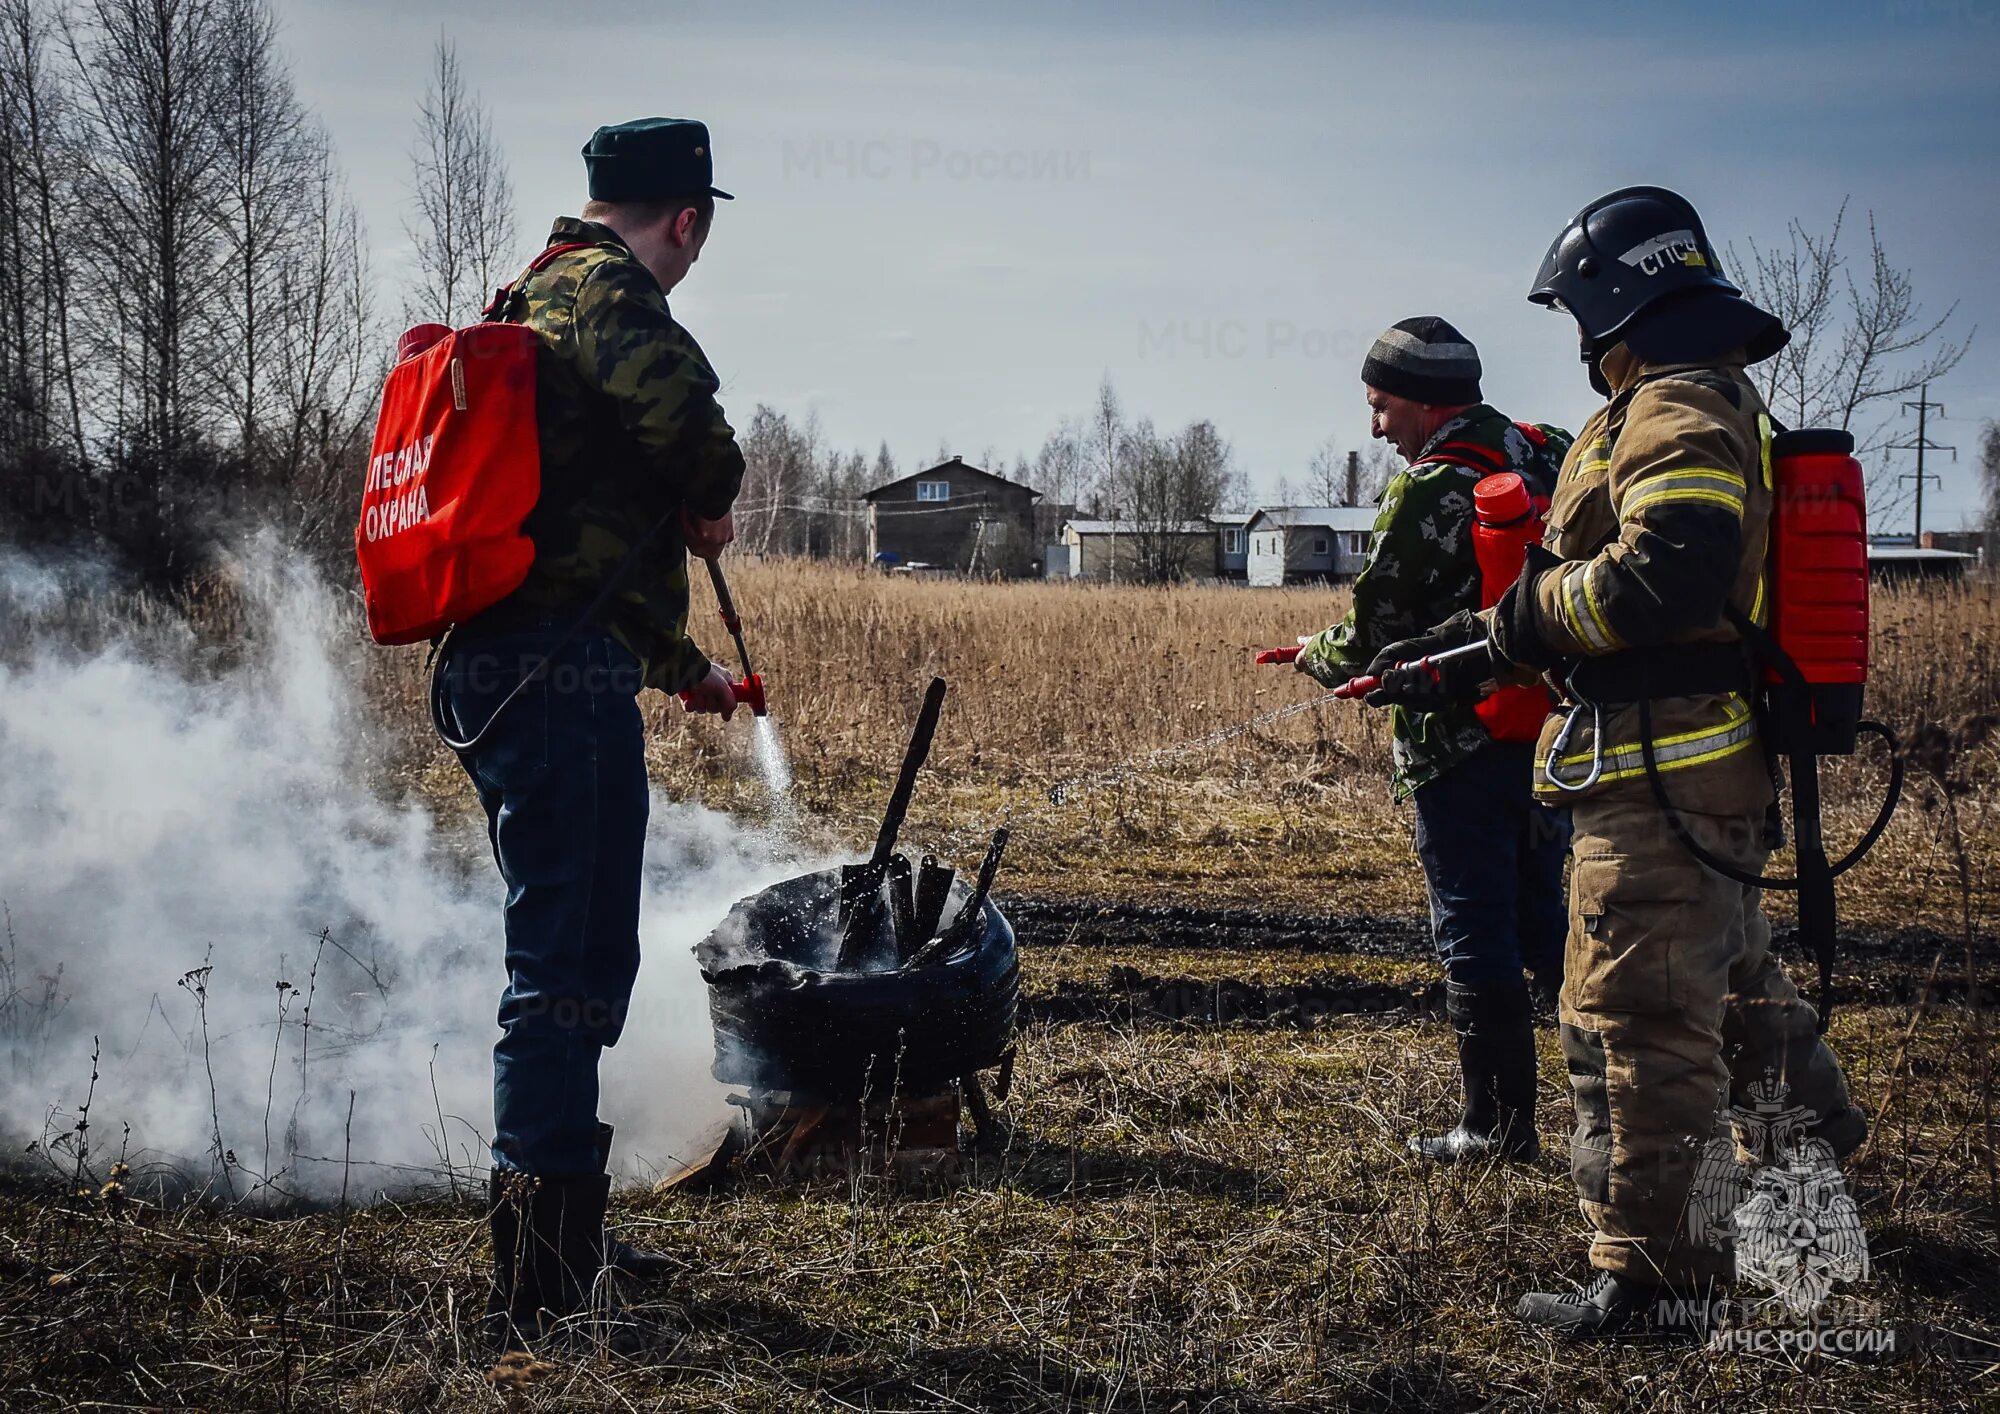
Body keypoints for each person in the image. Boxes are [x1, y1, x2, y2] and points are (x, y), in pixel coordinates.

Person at [1364, 187, 1868, 1337]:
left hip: (1658, 783)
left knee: (1631, 1015)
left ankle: (1656, 1281)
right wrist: (1458, 648)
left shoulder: (1676, 405)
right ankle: (1822, 1162)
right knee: (1729, 977)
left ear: (1613, 301)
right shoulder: (1693, 394)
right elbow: (1594, 595)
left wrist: (1520, 628)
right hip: (1693, 771)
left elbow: (1663, 579)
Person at [431, 116, 746, 1347]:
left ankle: (557, 1235)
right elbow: (692, 443)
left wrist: (685, 671)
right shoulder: (612, 296)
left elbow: (578, 540)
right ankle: (548, 1275)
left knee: (561, 962)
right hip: (551, 688)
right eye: (698, 234)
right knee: (566, 976)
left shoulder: (530, 292)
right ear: (686, 219)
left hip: (508, 668)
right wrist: (713, 500)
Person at [1296, 317, 1572, 1164]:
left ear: (1420, 403)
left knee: (1472, 925)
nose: (1375, 427)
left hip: (1456, 745)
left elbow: (1375, 629)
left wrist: (1313, 656)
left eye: (1381, 407)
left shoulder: (1424, 490)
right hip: (1549, 737)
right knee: (1550, 922)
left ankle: (1494, 1128)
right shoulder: (1546, 449)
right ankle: (1626, 1107)